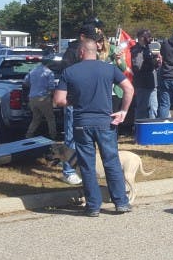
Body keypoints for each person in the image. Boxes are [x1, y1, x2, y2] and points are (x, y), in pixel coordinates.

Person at [53, 37, 134, 217]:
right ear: (95, 51)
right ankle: (121, 202)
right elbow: (129, 88)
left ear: (81, 52)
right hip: (106, 122)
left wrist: (73, 101)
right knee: (111, 161)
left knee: (87, 164)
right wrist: (123, 111)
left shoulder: (69, 72)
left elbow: (58, 100)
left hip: (82, 123)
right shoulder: (109, 68)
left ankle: (93, 206)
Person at [57, 19, 103, 185]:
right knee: (71, 137)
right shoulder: (72, 52)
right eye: (91, 39)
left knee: (87, 139)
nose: (94, 43)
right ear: (82, 37)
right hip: (73, 102)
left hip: (89, 102)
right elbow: (68, 78)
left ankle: (85, 168)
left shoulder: (91, 51)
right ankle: (68, 171)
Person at [130, 29, 160, 120]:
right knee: (141, 109)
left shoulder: (151, 47)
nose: (149, 39)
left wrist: (157, 61)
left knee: (153, 108)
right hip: (142, 83)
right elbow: (137, 66)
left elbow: (157, 66)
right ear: (141, 38)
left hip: (152, 82)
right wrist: (150, 61)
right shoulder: (136, 50)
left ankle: (153, 126)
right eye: (147, 37)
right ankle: (140, 126)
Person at [24, 58, 56, 139]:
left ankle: (29, 134)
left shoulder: (32, 71)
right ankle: (53, 136)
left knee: (36, 118)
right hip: (43, 97)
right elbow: (51, 87)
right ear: (49, 63)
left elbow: (26, 82)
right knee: (50, 118)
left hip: (32, 98)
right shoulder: (49, 72)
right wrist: (54, 98)